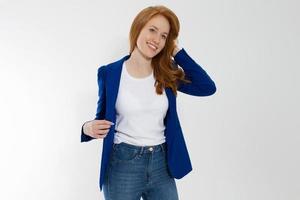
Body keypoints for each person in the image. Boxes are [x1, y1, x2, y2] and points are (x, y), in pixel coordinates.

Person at [81, 5, 216, 200]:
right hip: (123, 165)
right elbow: (101, 118)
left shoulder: (166, 72)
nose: (157, 39)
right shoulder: (109, 73)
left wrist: (177, 51)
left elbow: (207, 87)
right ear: (138, 28)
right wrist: (86, 127)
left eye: (164, 36)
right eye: (152, 30)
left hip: (161, 164)